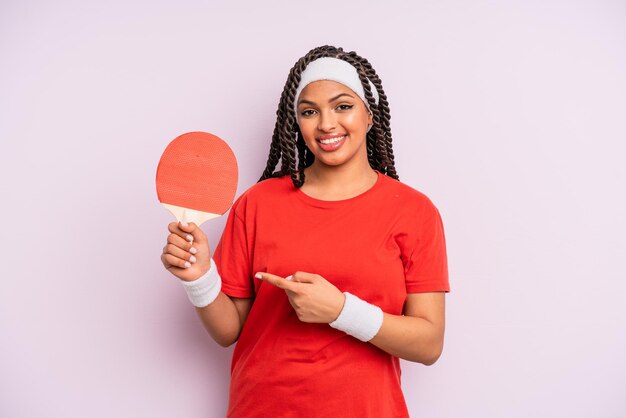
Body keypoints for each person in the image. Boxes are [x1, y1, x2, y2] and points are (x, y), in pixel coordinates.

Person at [161, 45, 450, 417]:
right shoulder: (258, 203)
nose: (327, 124)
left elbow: (429, 344)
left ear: (370, 116)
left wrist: (341, 310)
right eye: (310, 112)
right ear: (295, 122)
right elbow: (228, 331)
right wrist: (199, 278)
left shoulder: (413, 212)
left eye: (342, 106)